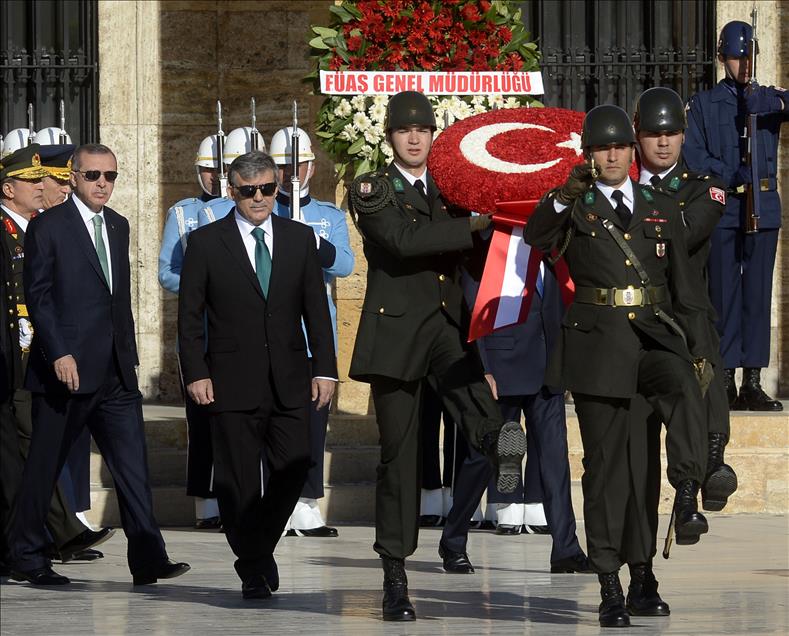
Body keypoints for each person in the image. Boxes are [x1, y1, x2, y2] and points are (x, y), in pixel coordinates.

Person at [524, 104, 714, 628]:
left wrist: (700, 352)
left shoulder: (659, 204)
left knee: (670, 408)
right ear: (589, 154)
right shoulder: (576, 205)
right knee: (610, 470)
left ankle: (685, 498)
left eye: (619, 147)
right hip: (597, 351)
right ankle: (613, 582)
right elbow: (536, 239)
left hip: (652, 340)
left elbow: (686, 289)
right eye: (601, 148)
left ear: (632, 153)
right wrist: (562, 194)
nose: (611, 155)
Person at [347, 90, 527, 622]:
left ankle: (500, 444)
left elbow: (475, 247)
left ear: (432, 135)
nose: (415, 138)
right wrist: (471, 223)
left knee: (470, 383)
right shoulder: (372, 189)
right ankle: (395, 576)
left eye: (423, 130)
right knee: (399, 460)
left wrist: (511, 215)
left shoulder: (450, 190)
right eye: (405, 131)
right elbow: (402, 240)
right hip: (397, 336)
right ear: (390, 138)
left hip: (445, 325)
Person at [8, 143, 189, 586]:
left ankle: (148, 557)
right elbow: (40, 296)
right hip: (65, 372)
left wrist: (127, 354)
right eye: (93, 176)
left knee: (132, 467)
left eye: (110, 176)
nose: (102, 184)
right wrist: (59, 351)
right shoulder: (47, 227)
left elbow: (115, 298)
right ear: (73, 177)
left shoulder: (119, 225)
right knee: (45, 466)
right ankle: (26, 555)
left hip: (115, 371)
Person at [178, 150, 336, 600]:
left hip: (290, 377)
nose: (260, 198)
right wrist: (196, 372)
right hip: (229, 380)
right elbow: (188, 318)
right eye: (249, 191)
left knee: (295, 464)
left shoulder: (299, 237)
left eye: (268, 188)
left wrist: (325, 368)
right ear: (232, 192)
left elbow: (316, 312)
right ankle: (255, 570)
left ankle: (253, 552)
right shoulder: (206, 243)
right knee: (236, 482)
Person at [0, 145, 113, 574]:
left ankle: (53, 534)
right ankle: (46, 538)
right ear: (9, 188)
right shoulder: (9, 230)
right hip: (15, 361)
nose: (45, 187)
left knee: (34, 455)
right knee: (24, 459)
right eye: (33, 181)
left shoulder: (34, 229)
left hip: (34, 361)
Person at [440, 263, 590, 575]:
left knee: (555, 462)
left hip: (547, 370)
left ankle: (565, 547)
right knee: (482, 460)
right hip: (501, 369)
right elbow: (472, 303)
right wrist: (481, 367)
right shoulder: (494, 248)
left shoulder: (554, 250)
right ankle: (453, 539)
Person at [634, 86, 738, 512]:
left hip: (683, 308)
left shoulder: (703, 188)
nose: (663, 142)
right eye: (655, 134)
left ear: (684, 136)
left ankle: (712, 463)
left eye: (672, 133)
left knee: (705, 356)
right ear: (637, 135)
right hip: (635, 314)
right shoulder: (616, 185)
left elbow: (687, 232)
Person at [684, 20, 787, 411]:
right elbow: (694, 157)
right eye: (735, 57)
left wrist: (774, 103)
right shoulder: (705, 105)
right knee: (724, 296)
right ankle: (725, 379)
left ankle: (754, 381)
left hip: (763, 208)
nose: (743, 64)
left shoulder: (765, 98)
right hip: (725, 208)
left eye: (748, 57)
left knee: (757, 296)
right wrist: (730, 175)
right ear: (721, 58)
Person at [270, 125, 354, 538]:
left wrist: (311, 242)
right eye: (284, 166)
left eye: (299, 164)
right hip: (274, 333)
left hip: (313, 332)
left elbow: (343, 266)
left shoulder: (328, 215)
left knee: (314, 421)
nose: (292, 173)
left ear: (312, 167)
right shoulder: (265, 210)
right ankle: (278, 499)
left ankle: (307, 501)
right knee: (278, 419)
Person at [158, 133, 230, 530]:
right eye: (208, 170)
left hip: (238, 332)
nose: (215, 178)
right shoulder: (183, 213)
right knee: (201, 418)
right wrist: (204, 281)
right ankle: (206, 504)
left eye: (222, 170)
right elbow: (166, 272)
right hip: (200, 328)